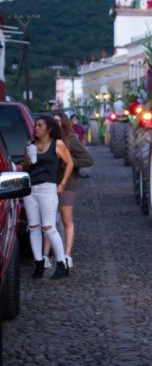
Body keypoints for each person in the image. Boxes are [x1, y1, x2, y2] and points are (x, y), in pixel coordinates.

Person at [21, 115, 73, 280]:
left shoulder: (57, 144)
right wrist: (27, 161)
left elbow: (69, 163)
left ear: (49, 128)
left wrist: (62, 183)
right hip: (31, 189)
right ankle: (39, 263)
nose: (36, 128)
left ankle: (61, 263)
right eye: (35, 125)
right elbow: (27, 168)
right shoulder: (30, 145)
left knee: (49, 227)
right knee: (33, 227)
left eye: (40, 125)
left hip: (47, 188)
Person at [54, 112, 94, 271]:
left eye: (58, 121)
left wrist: (69, 162)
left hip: (67, 184)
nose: (55, 124)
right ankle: (47, 256)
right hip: (49, 184)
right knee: (50, 222)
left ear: (64, 123)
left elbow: (88, 160)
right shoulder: (48, 140)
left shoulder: (71, 140)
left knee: (66, 220)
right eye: (52, 121)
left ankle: (67, 255)